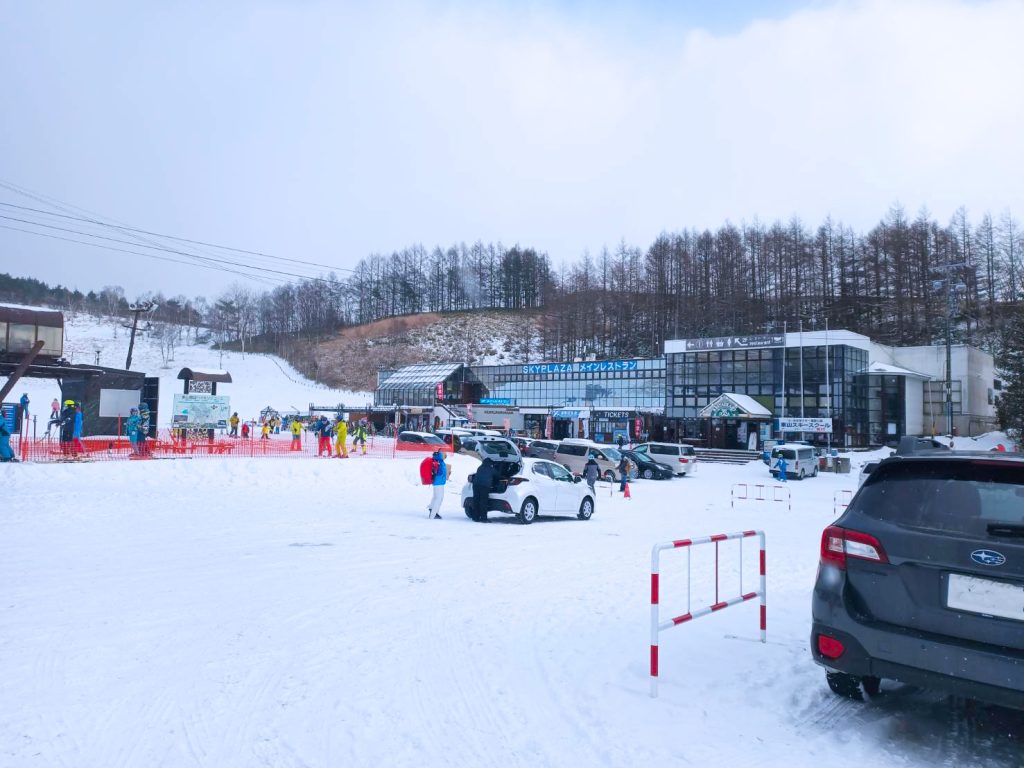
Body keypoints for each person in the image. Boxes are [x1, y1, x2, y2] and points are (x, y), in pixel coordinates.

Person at [471, 457, 497, 523]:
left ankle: (475, 517)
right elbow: (497, 476)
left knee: (476, 500)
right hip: (484, 486)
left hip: (475, 485)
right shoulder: (491, 469)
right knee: (483, 502)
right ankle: (483, 518)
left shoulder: (479, 467)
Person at [427, 447, 447, 519]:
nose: (445, 455)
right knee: (439, 498)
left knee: (437, 497)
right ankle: (432, 515)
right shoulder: (439, 461)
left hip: (439, 482)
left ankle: (433, 509)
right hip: (438, 482)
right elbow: (440, 472)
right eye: (444, 453)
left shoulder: (438, 460)